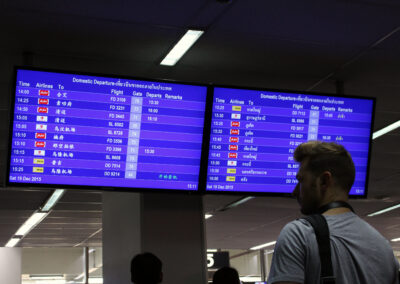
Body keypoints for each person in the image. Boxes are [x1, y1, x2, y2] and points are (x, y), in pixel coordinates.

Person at [267, 141, 400, 284]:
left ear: (324, 181)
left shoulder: (299, 234)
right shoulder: (383, 247)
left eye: (301, 180)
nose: (295, 191)